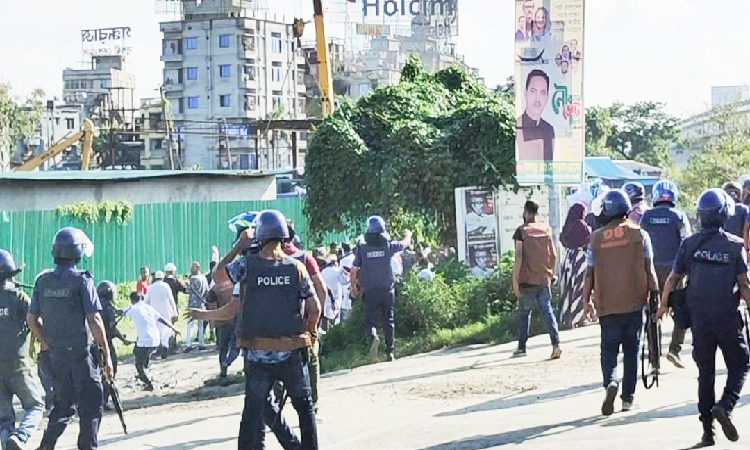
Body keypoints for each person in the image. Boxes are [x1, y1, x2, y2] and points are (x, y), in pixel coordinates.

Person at [187, 209, 320, 450]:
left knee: (251, 415)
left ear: (259, 236)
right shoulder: (296, 267)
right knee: (305, 408)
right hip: (291, 353)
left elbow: (221, 281)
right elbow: (315, 308)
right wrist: (308, 335)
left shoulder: (246, 266)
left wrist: (239, 245)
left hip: (257, 355)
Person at [659, 189, 750, 446]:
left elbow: (673, 278)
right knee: (741, 363)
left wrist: (663, 305)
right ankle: (726, 405)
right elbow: (744, 286)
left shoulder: (689, 244)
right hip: (727, 317)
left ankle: (707, 432)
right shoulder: (735, 246)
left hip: (700, 319)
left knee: (706, 374)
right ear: (724, 215)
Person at [26, 227, 114, 450]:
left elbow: (31, 319)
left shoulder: (42, 281)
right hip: (81, 356)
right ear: (78, 253)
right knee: (91, 406)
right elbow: (94, 319)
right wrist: (106, 355)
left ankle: (46, 446)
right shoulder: (82, 280)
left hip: (56, 357)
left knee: (63, 405)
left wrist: (46, 341)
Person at [583, 190, 658, 416]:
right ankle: (627, 399)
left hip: (607, 304)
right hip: (634, 303)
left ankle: (611, 382)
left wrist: (586, 301)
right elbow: (650, 269)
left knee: (608, 350)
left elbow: (589, 274)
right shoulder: (640, 235)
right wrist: (655, 295)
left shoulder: (595, 239)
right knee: (631, 351)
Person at [640, 179, 692, 368]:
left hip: (652, 271)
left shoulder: (646, 217)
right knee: (681, 312)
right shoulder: (679, 216)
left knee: (653, 314)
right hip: (675, 272)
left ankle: (654, 360)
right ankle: (674, 350)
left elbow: (641, 242)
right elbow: (687, 241)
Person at [351, 216, 413, 363]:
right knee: (388, 320)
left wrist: (353, 286)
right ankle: (390, 352)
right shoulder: (388, 246)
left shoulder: (362, 249)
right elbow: (405, 244)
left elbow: (354, 270)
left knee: (370, 321)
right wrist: (408, 234)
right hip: (387, 289)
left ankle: (373, 336)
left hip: (369, 290)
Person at [0, 249, 44, 450]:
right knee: (36, 405)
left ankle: (9, 441)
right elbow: (36, 320)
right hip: (17, 363)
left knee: (4, 417)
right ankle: (21, 436)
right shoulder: (18, 296)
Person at [512, 201, 561, 359]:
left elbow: (519, 256)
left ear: (525, 212)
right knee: (547, 311)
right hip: (543, 278)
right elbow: (553, 254)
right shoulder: (546, 229)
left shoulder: (521, 232)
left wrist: (515, 280)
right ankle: (556, 344)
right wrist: (551, 273)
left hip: (527, 279)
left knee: (525, 313)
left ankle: (521, 347)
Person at [125, 292, 181, 391]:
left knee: (138, 364)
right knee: (142, 355)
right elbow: (162, 319)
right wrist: (173, 328)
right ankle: (144, 374)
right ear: (141, 298)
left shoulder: (132, 308)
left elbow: (119, 312)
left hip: (144, 340)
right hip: (156, 339)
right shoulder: (149, 308)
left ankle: (149, 384)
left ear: (132, 300)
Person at [96, 281, 132, 409]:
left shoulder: (94, 304)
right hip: (106, 343)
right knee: (111, 370)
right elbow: (112, 330)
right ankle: (104, 400)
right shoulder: (109, 309)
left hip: (92, 343)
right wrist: (123, 339)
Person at [559, 202, 592, 328]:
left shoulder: (567, 225)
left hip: (568, 259)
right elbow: (588, 240)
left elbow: (562, 239)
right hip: (579, 259)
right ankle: (580, 317)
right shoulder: (581, 225)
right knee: (580, 288)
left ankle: (567, 318)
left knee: (568, 289)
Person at [516, 69, 555, 161]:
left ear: (547, 97)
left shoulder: (549, 129)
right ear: (525, 93)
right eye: (533, 91)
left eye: (542, 93)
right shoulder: (517, 126)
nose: (538, 98)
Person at [144, 270, 178, 359]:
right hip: (166, 312)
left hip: (154, 312)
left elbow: (146, 301)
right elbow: (171, 300)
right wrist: (175, 312)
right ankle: (165, 347)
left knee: (157, 330)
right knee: (166, 330)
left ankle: (157, 349)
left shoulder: (151, 287)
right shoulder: (166, 286)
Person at [184, 262, 209, 353]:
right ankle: (201, 343)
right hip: (201, 304)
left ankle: (189, 344)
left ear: (196, 268)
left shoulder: (193, 279)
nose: (191, 269)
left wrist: (187, 284)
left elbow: (188, 291)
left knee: (190, 325)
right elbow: (207, 291)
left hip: (193, 305)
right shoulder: (204, 278)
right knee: (201, 325)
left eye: (192, 267)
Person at [321, 255, 347, 331]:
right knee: (336, 320)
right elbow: (344, 281)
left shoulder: (323, 271)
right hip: (335, 299)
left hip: (326, 298)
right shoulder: (337, 271)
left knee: (326, 319)